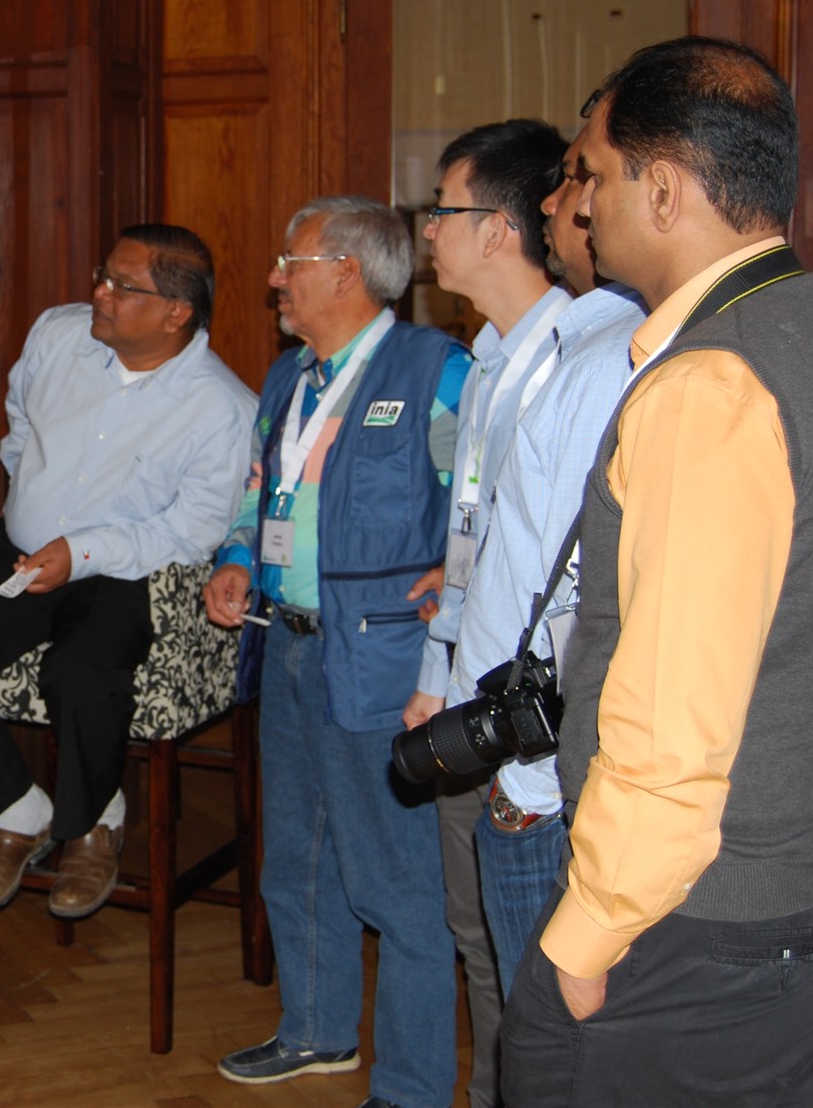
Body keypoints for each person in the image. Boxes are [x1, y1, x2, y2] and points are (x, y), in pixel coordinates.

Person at [500, 36, 813, 1105]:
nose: (581, 206)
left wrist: (586, 935)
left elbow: (671, 710)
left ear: (668, 188)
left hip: (701, 922)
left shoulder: (712, 382)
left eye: (593, 172)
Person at [0, 225, 254, 921]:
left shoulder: (222, 408)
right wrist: (28, 503)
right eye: (101, 274)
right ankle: (17, 809)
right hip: (21, 554)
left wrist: (80, 551)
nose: (99, 293)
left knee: (80, 672)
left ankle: (91, 824)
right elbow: (20, 419)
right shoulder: (58, 335)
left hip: (127, 574)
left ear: (178, 312)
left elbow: (190, 531)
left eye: (122, 285)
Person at [204, 195, 472, 1108]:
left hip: (384, 662)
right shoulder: (289, 378)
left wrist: (457, 574)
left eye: (292, 261)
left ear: (347, 272)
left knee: (398, 884)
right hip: (286, 647)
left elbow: (486, 500)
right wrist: (238, 558)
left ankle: (410, 1085)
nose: (276, 278)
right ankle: (315, 1031)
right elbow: (256, 494)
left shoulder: (437, 369)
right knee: (298, 857)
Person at [448, 122, 643, 1000]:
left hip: (536, 755)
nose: (562, 205)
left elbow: (575, 584)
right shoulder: (527, 355)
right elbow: (510, 541)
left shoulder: (602, 360)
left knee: (538, 1010)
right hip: (506, 730)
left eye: (579, 180)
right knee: (496, 968)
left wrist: (525, 774)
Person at [399, 117, 569, 1108]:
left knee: (529, 961)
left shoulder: (571, 365)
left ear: (501, 227)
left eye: (443, 209)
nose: (429, 230)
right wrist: (434, 686)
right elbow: (474, 552)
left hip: (521, 729)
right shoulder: (491, 356)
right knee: (477, 938)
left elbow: (562, 583)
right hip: (466, 705)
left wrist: (521, 756)